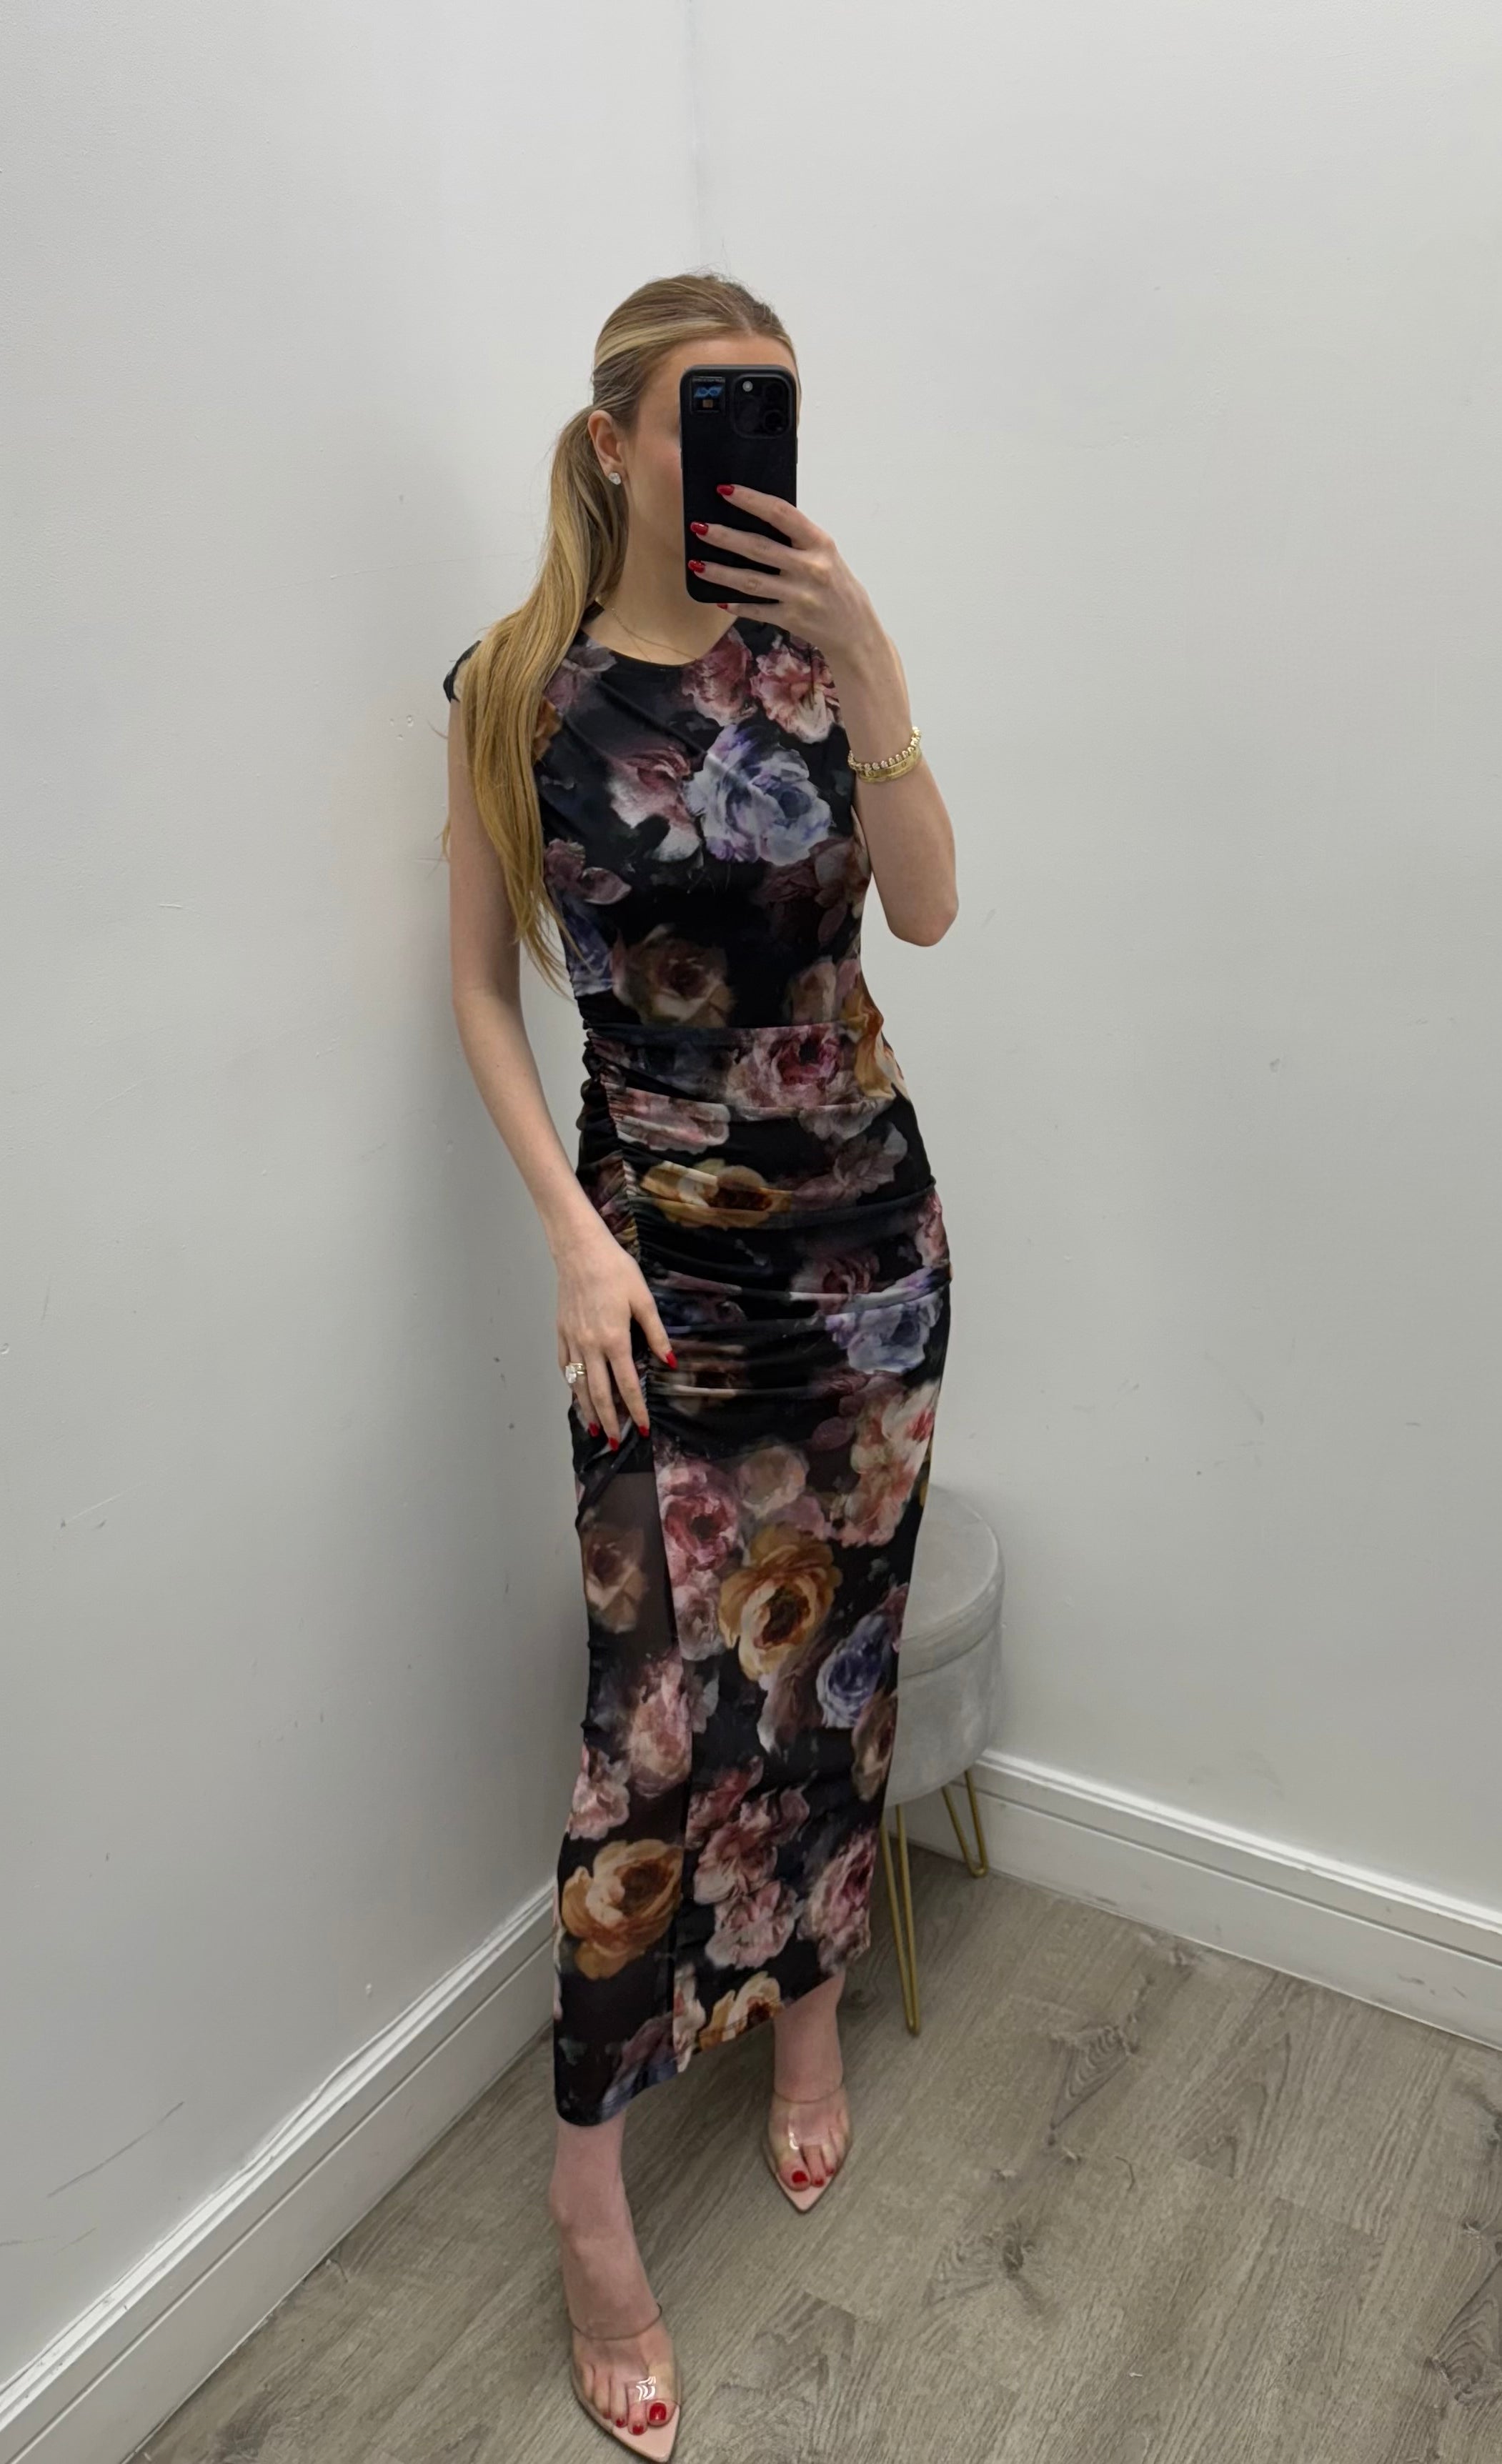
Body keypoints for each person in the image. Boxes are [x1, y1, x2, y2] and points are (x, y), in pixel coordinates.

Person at [442, 271, 958, 2457]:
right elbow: (481, 991)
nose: (753, 446)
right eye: (714, 410)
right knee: (646, 1735)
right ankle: (589, 2191)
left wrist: (875, 662)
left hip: (870, 1261)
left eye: (780, 410)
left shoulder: (816, 659)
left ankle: (807, 2009)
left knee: (835, 1670)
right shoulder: (517, 692)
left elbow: (925, 910)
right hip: (653, 1270)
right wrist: (569, 1234)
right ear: (616, 441)